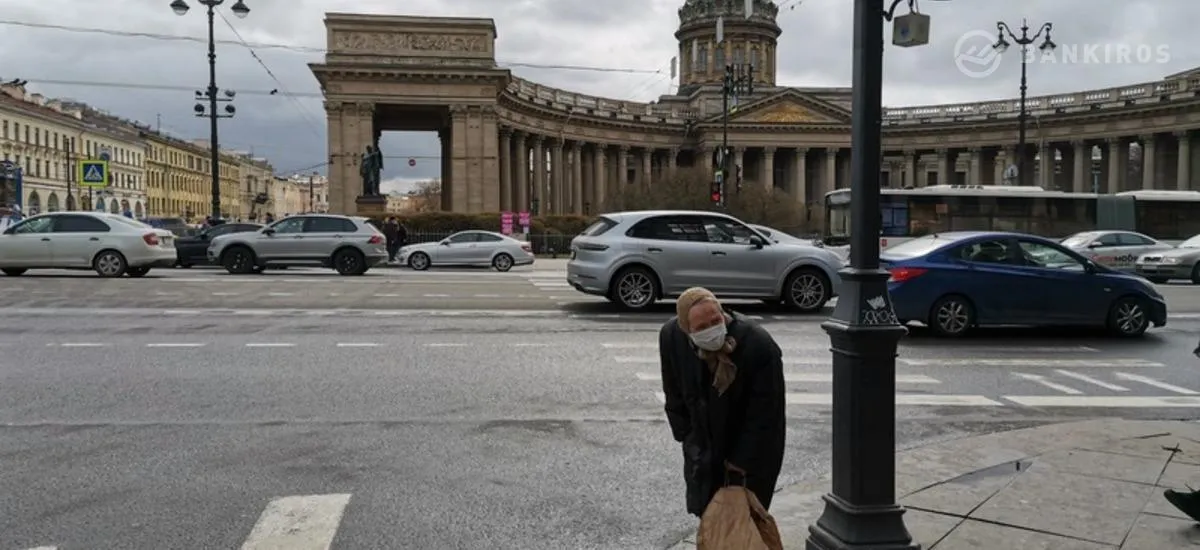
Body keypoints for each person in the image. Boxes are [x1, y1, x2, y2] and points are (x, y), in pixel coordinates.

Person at [659, 287, 786, 517]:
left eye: (715, 321)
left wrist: (741, 463)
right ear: (687, 329)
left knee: (742, 524)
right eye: (701, 328)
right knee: (709, 517)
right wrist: (688, 437)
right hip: (703, 449)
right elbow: (673, 391)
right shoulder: (672, 336)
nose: (711, 330)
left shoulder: (758, 345)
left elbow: (766, 415)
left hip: (748, 459)